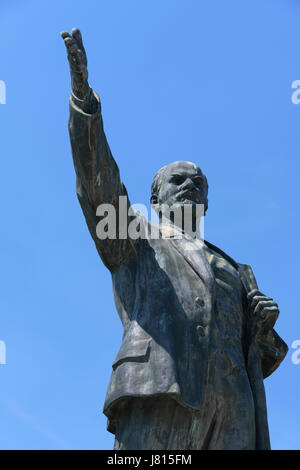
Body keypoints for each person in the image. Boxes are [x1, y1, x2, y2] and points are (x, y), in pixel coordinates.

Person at [61, 28, 288, 450]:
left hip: (236, 408)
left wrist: (261, 327)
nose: (189, 186)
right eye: (178, 180)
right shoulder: (137, 237)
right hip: (160, 392)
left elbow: (261, 353)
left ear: (207, 201)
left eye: (198, 183)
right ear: (155, 197)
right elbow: (99, 189)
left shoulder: (239, 270)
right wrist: (85, 107)